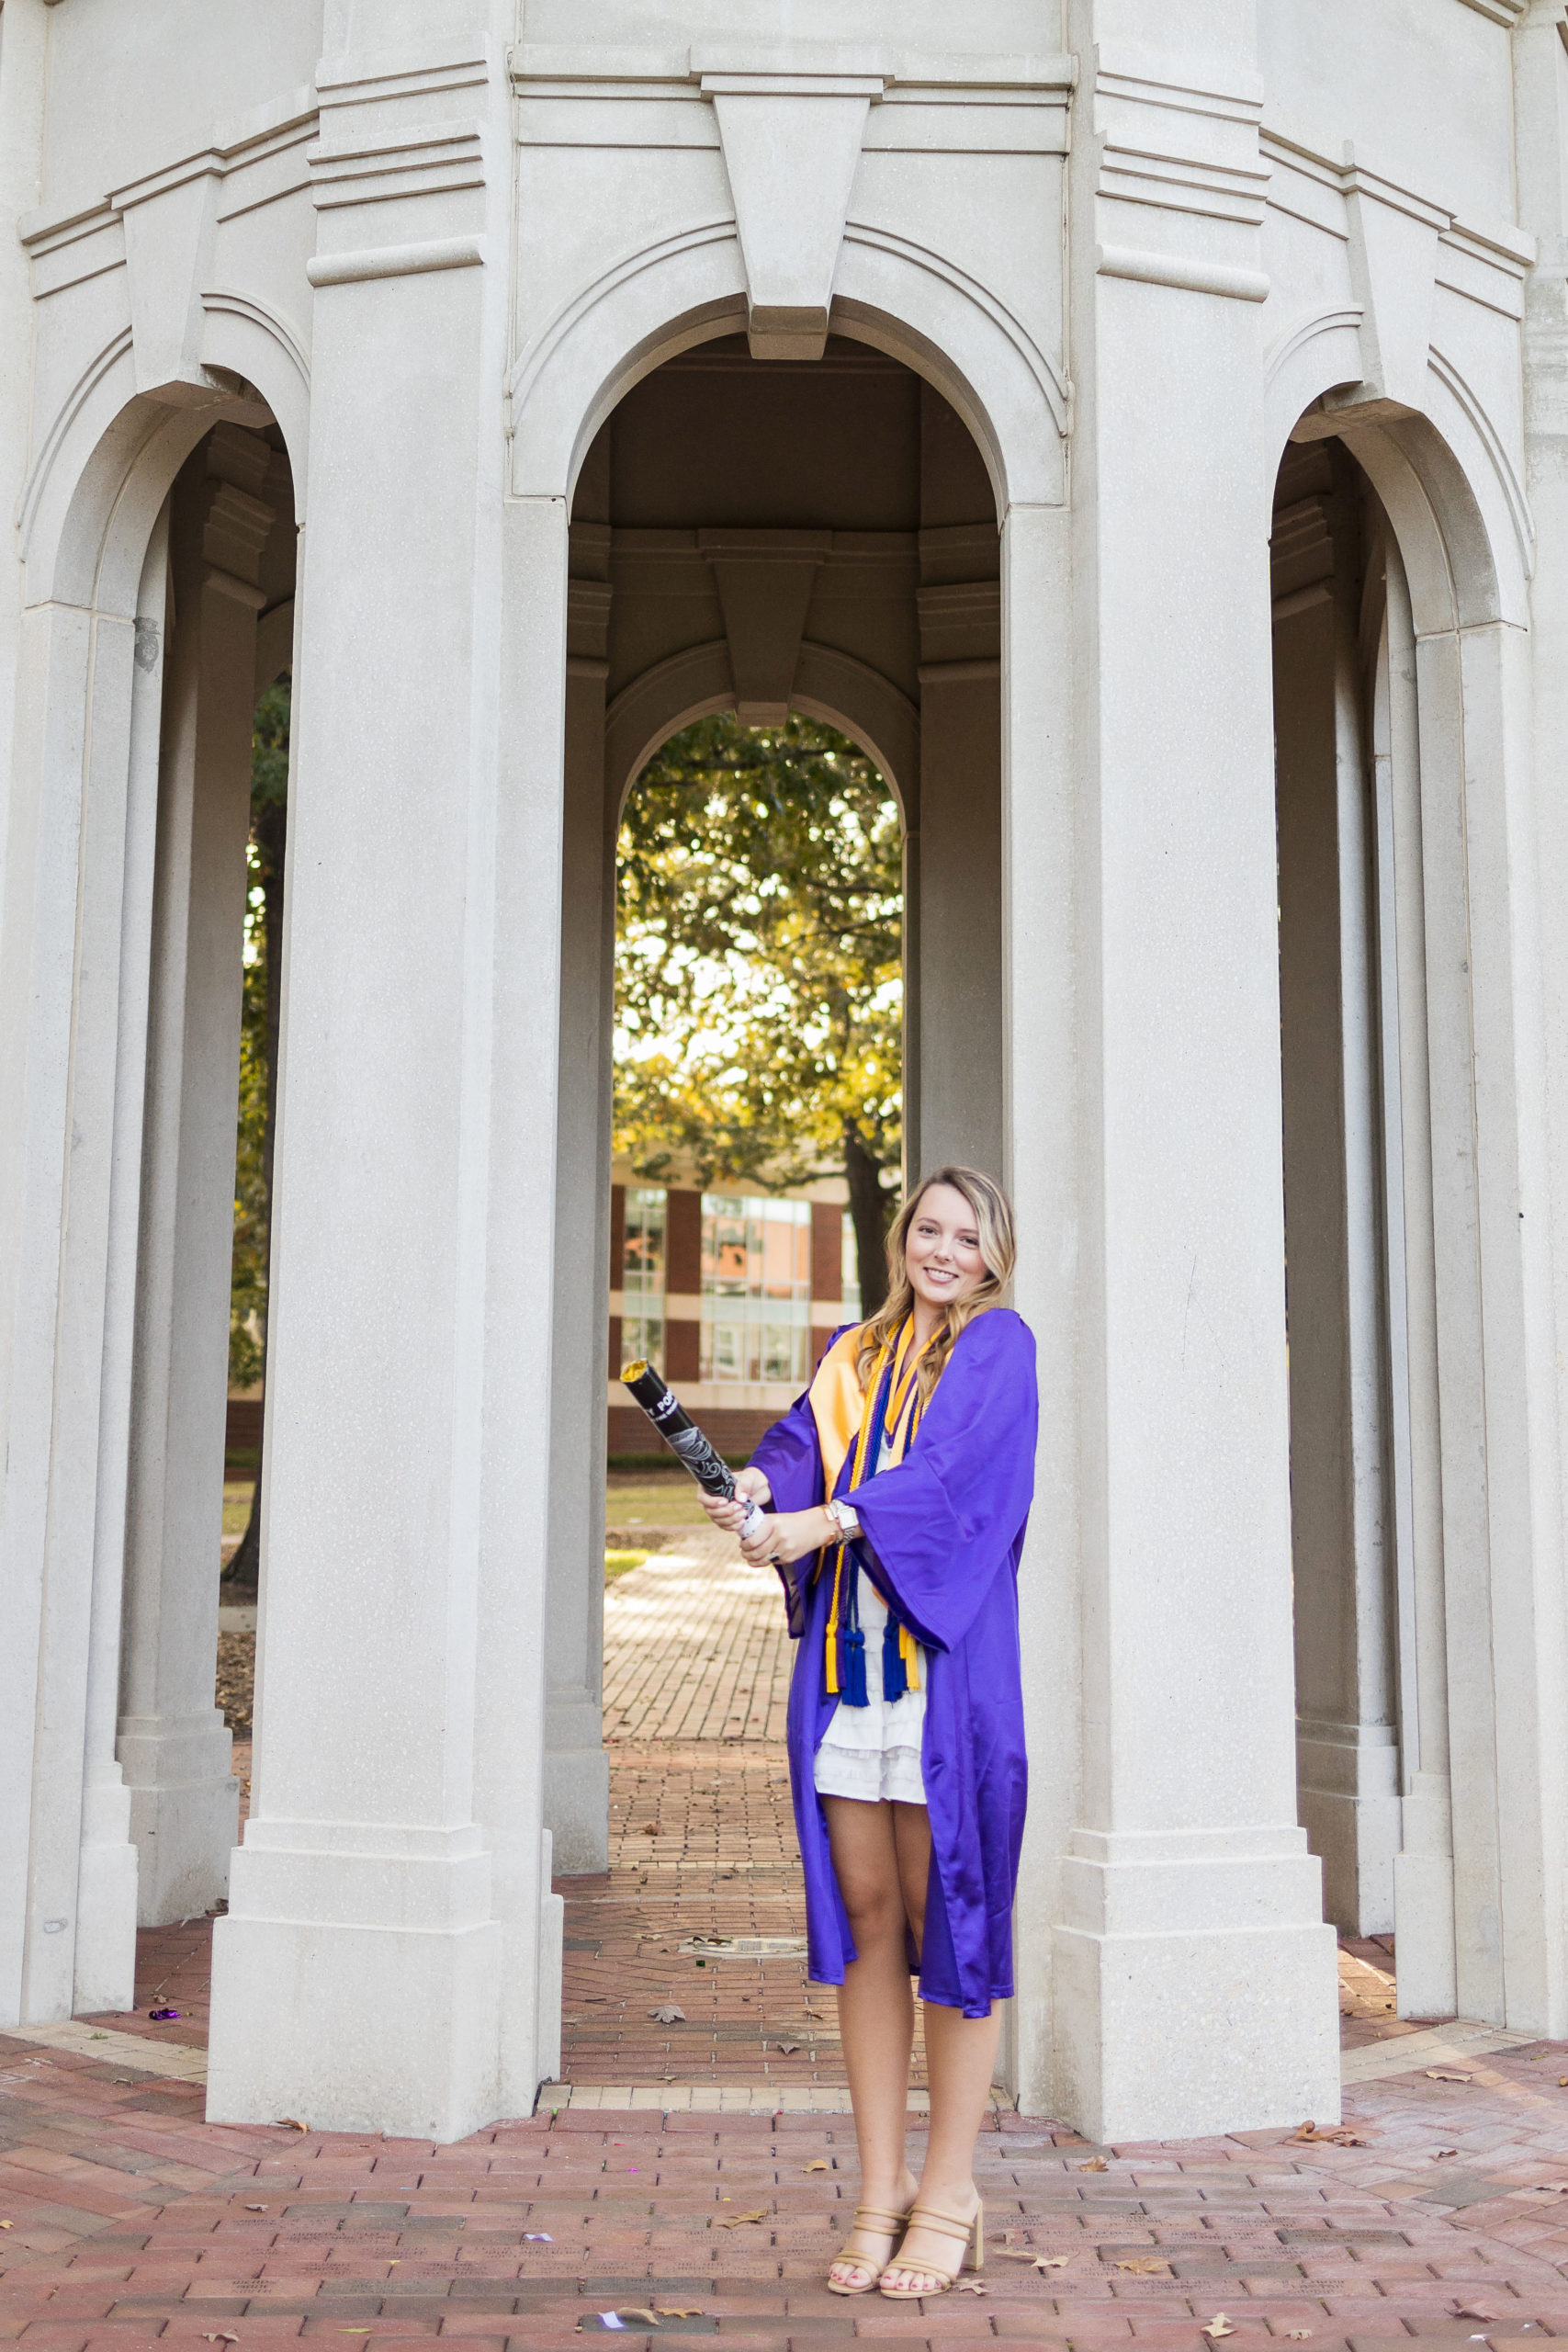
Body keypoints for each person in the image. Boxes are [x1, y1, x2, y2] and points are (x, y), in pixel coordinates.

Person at [700, 1165, 1037, 2301]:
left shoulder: (999, 1349)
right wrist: (753, 1487)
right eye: (927, 1228)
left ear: (993, 1255)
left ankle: (951, 2191)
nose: (943, 1250)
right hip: (852, 1673)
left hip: (945, 1677)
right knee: (871, 1915)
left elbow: (949, 1481)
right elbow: (800, 1442)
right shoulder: (855, 1352)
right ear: (903, 1237)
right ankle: (880, 2189)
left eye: (966, 1235)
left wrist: (823, 1523)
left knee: (953, 1913)